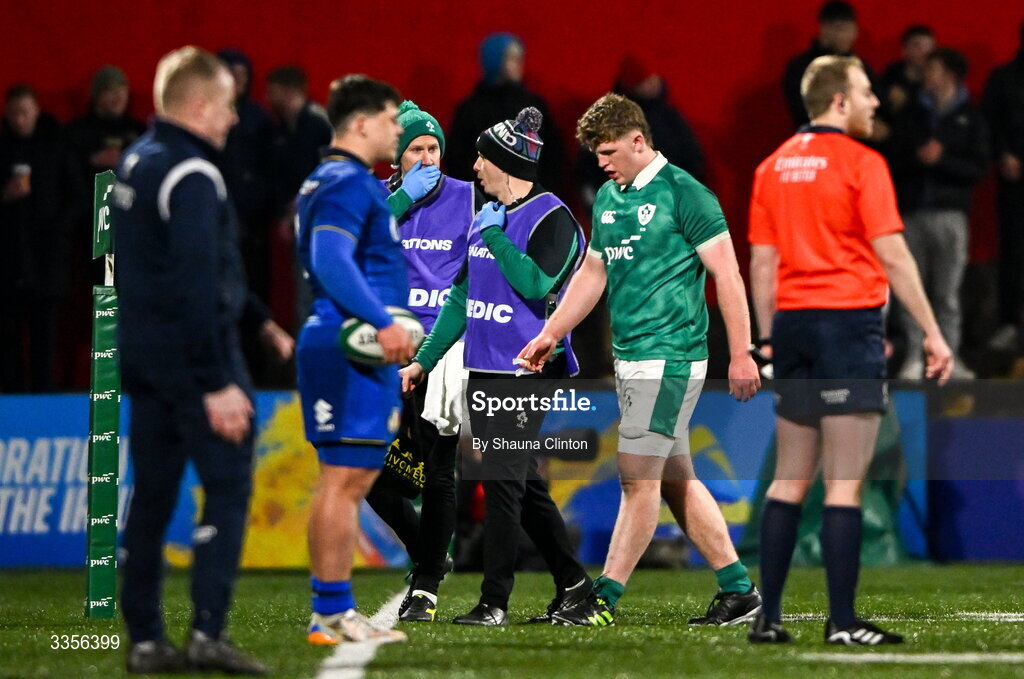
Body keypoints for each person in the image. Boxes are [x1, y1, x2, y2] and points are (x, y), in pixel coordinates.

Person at [517, 93, 763, 628]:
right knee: (673, 478)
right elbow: (592, 275)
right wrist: (550, 332)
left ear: (638, 140)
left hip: (671, 356)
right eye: (594, 153)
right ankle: (739, 590)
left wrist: (741, 353)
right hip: (632, 358)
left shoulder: (686, 194)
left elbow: (728, 276)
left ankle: (601, 599)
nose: (600, 162)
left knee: (636, 480)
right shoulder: (608, 197)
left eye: (607, 151)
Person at [747, 55, 953, 645]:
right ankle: (841, 622)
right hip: (848, 326)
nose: (875, 102)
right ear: (839, 100)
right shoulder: (864, 162)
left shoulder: (771, 167)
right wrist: (933, 332)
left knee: (789, 480)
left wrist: (766, 338)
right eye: (866, 92)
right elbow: (892, 255)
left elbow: (763, 261)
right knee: (843, 486)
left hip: (792, 329)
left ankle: (769, 618)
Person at [400, 107, 591, 626]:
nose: (475, 165)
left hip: (530, 367)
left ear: (507, 164)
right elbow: (460, 299)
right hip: (484, 365)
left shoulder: (553, 216)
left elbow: (537, 285)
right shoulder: (487, 217)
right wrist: (423, 361)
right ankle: (576, 586)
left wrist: (499, 236)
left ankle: (494, 602)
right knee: (521, 484)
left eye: (484, 156)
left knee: (504, 483)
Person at [113, 46, 267, 674]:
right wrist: (216, 383)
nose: (233, 120)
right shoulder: (195, 176)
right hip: (194, 365)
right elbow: (199, 285)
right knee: (227, 486)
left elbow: (140, 275)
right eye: (228, 106)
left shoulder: (134, 162)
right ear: (200, 105)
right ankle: (207, 631)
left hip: (143, 360)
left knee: (150, 497)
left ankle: (146, 638)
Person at [295, 74, 412, 645]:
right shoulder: (348, 181)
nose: (399, 130)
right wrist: (384, 322)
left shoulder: (330, 179)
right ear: (362, 123)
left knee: (343, 479)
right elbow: (329, 257)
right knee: (345, 480)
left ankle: (331, 612)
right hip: (350, 345)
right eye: (392, 120)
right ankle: (333, 614)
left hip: (339, 341)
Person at [364, 100, 477, 622]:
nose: (428, 159)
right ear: (397, 158)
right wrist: (396, 206)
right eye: (417, 149)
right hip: (390, 352)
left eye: (434, 148)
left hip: (445, 351)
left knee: (439, 470)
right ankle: (428, 553)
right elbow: (354, 249)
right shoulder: (378, 201)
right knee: (367, 472)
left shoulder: (468, 197)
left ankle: (427, 585)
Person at [889, 47, 989, 379]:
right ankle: (915, 358)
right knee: (910, 289)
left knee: (947, 294)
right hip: (912, 214)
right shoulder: (912, 115)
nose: (925, 75)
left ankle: (950, 357)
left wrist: (942, 159)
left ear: (949, 74)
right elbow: (892, 159)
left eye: (932, 69)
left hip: (952, 216)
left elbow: (979, 167)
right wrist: (919, 157)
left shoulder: (971, 117)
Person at [0, 84, 85, 393]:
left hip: (47, 263)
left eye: (25, 112)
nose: (20, 120)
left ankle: (44, 408)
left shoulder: (57, 146)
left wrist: (57, 231)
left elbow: (78, 197)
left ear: (36, 111)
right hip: (8, 266)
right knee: (8, 345)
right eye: (14, 114)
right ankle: (9, 413)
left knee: (44, 343)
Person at [447, 33, 567, 193]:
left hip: (530, 201)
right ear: (495, 61)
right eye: (511, 59)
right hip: (483, 202)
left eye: (520, 59)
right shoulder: (471, 110)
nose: (519, 65)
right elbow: (456, 160)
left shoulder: (533, 106)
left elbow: (552, 156)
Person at [981, 21, 1024, 357]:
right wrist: (1002, 154)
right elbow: (987, 124)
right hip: (1013, 183)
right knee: (1013, 252)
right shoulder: (1003, 78)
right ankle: (1010, 323)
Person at [782, 2, 879, 129]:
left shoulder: (860, 66)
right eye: (841, 29)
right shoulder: (801, 67)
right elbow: (804, 110)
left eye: (852, 29)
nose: (848, 36)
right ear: (824, 28)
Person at [877, 25, 936, 117]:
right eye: (917, 46)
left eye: (929, 47)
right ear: (904, 50)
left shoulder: (936, 83)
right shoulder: (890, 77)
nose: (925, 52)